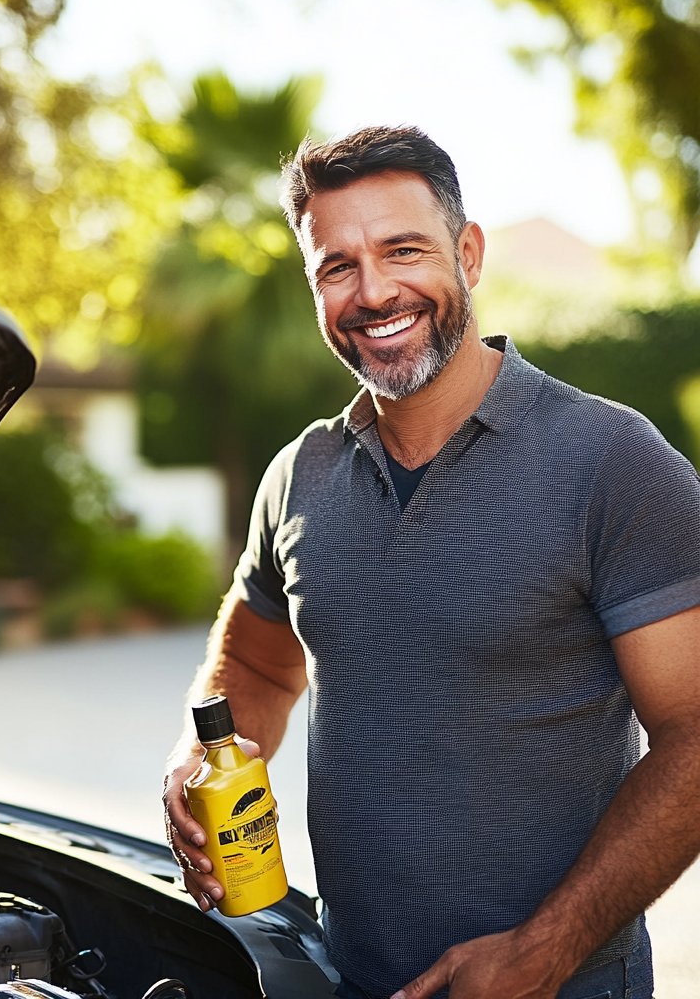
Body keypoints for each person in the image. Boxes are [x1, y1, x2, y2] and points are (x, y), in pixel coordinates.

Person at [162, 126, 700, 999]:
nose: (374, 293)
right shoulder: (300, 474)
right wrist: (197, 758)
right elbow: (257, 661)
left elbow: (696, 735)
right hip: (350, 975)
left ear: (470, 254)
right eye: (337, 266)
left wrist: (543, 952)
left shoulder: (611, 460)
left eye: (403, 250)